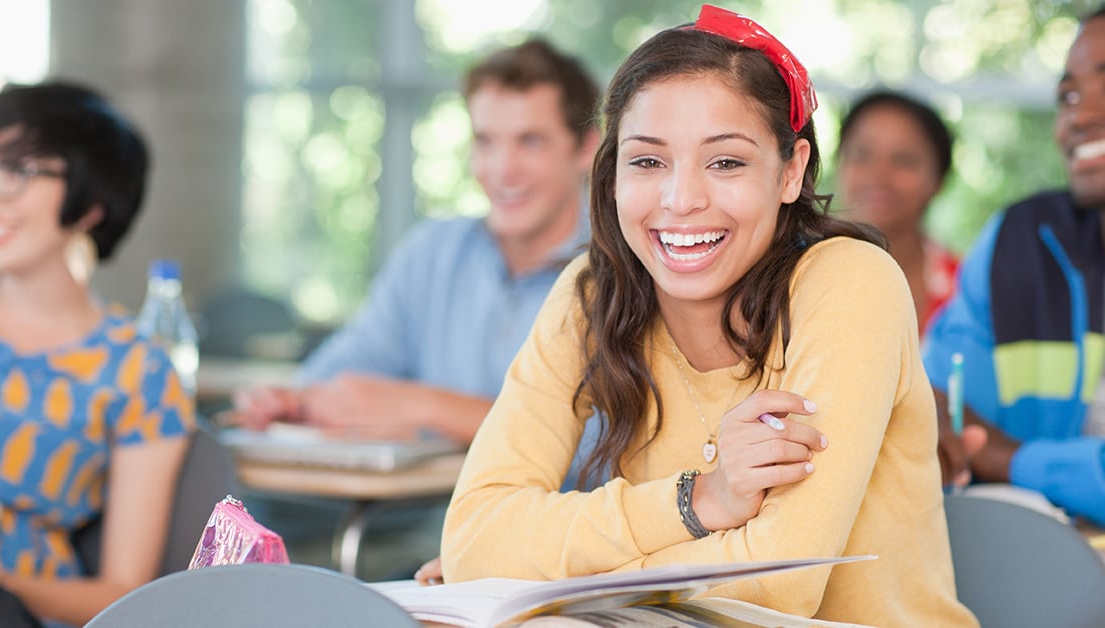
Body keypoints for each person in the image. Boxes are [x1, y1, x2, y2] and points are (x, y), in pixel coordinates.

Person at [439, 5, 975, 625]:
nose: (681, 199)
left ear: (791, 171)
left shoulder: (850, 283)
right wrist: (700, 501)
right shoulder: (591, 293)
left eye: (725, 162)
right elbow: (473, 538)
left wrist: (542, 580)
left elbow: (776, 586)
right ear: (612, 174)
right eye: (647, 161)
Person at [0, 81, 194, 626]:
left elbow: (125, 592)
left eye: (15, 172)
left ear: (90, 201)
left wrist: (11, 584)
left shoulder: (138, 372)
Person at [230, 38, 600, 446]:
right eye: (485, 141)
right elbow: (357, 360)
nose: (502, 169)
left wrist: (423, 406)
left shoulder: (621, 270)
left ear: (586, 147)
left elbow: (601, 441)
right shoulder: (433, 253)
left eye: (530, 141)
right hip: (420, 507)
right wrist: (295, 400)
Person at [926, 6, 1105, 523]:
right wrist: (934, 417)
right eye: (1068, 96)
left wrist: (1010, 458)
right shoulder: (1020, 241)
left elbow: (986, 448)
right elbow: (938, 397)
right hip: (1034, 571)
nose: (1080, 115)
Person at [836, 89, 959, 332]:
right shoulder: (785, 274)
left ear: (939, 179)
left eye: (904, 160)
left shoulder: (967, 291)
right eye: (862, 154)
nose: (879, 175)